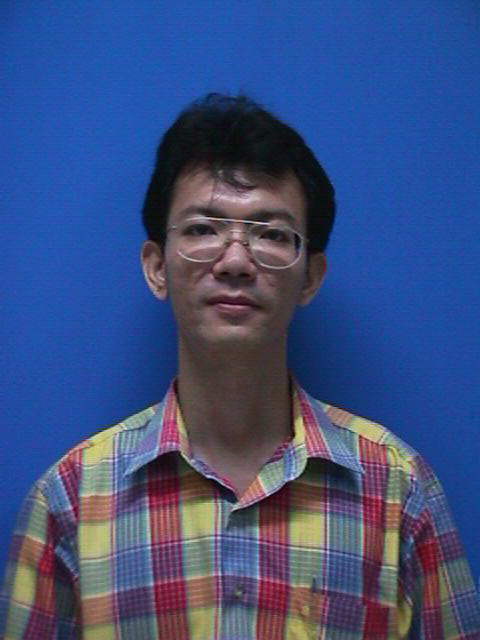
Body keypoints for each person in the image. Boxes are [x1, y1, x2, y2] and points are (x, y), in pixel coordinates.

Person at [1, 94, 479, 640]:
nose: (234, 261)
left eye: (271, 234)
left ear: (311, 277)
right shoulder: (70, 500)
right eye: (203, 229)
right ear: (156, 268)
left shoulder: (398, 490)